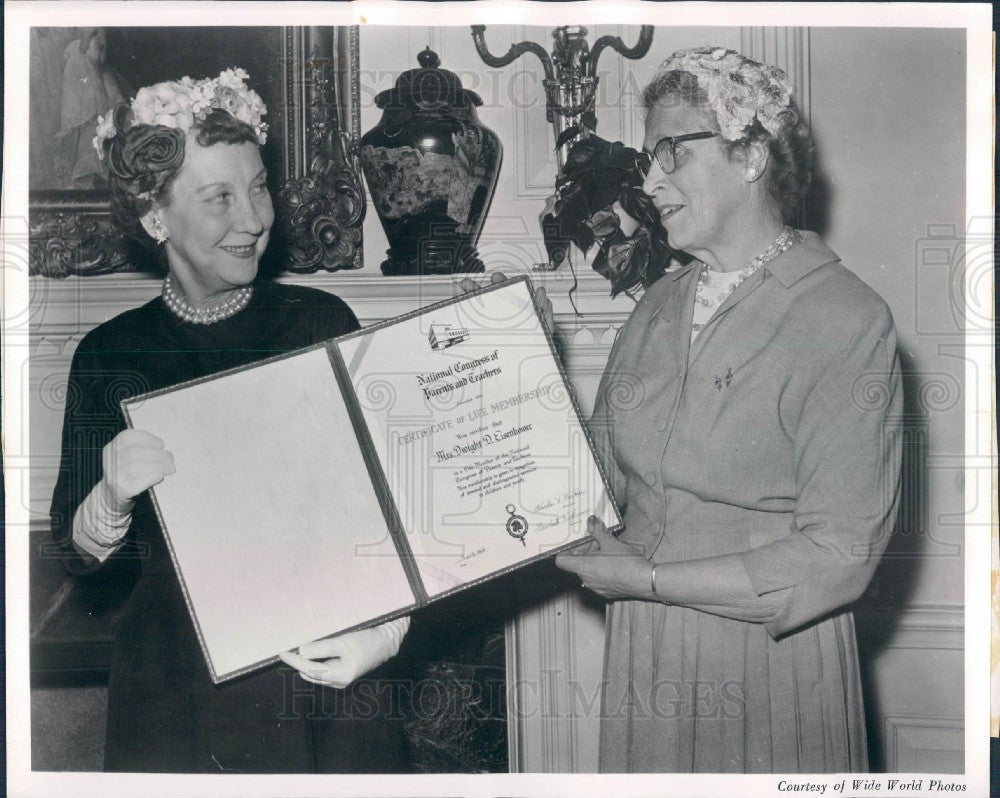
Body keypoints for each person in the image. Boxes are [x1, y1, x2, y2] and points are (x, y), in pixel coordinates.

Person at [50, 69, 412, 773]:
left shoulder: (320, 323)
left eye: (258, 187)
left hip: (323, 674)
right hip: (177, 688)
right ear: (156, 218)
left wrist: (391, 628)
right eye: (219, 197)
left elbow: (389, 508)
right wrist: (109, 500)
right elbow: (77, 557)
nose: (253, 218)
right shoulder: (109, 354)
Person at [555, 47, 903, 773]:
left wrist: (648, 581)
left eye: (672, 153)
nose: (649, 182)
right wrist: (491, 366)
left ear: (750, 156)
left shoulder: (846, 318)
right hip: (646, 653)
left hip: (770, 666)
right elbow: (585, 485)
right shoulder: (656, 305)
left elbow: (838, 556)